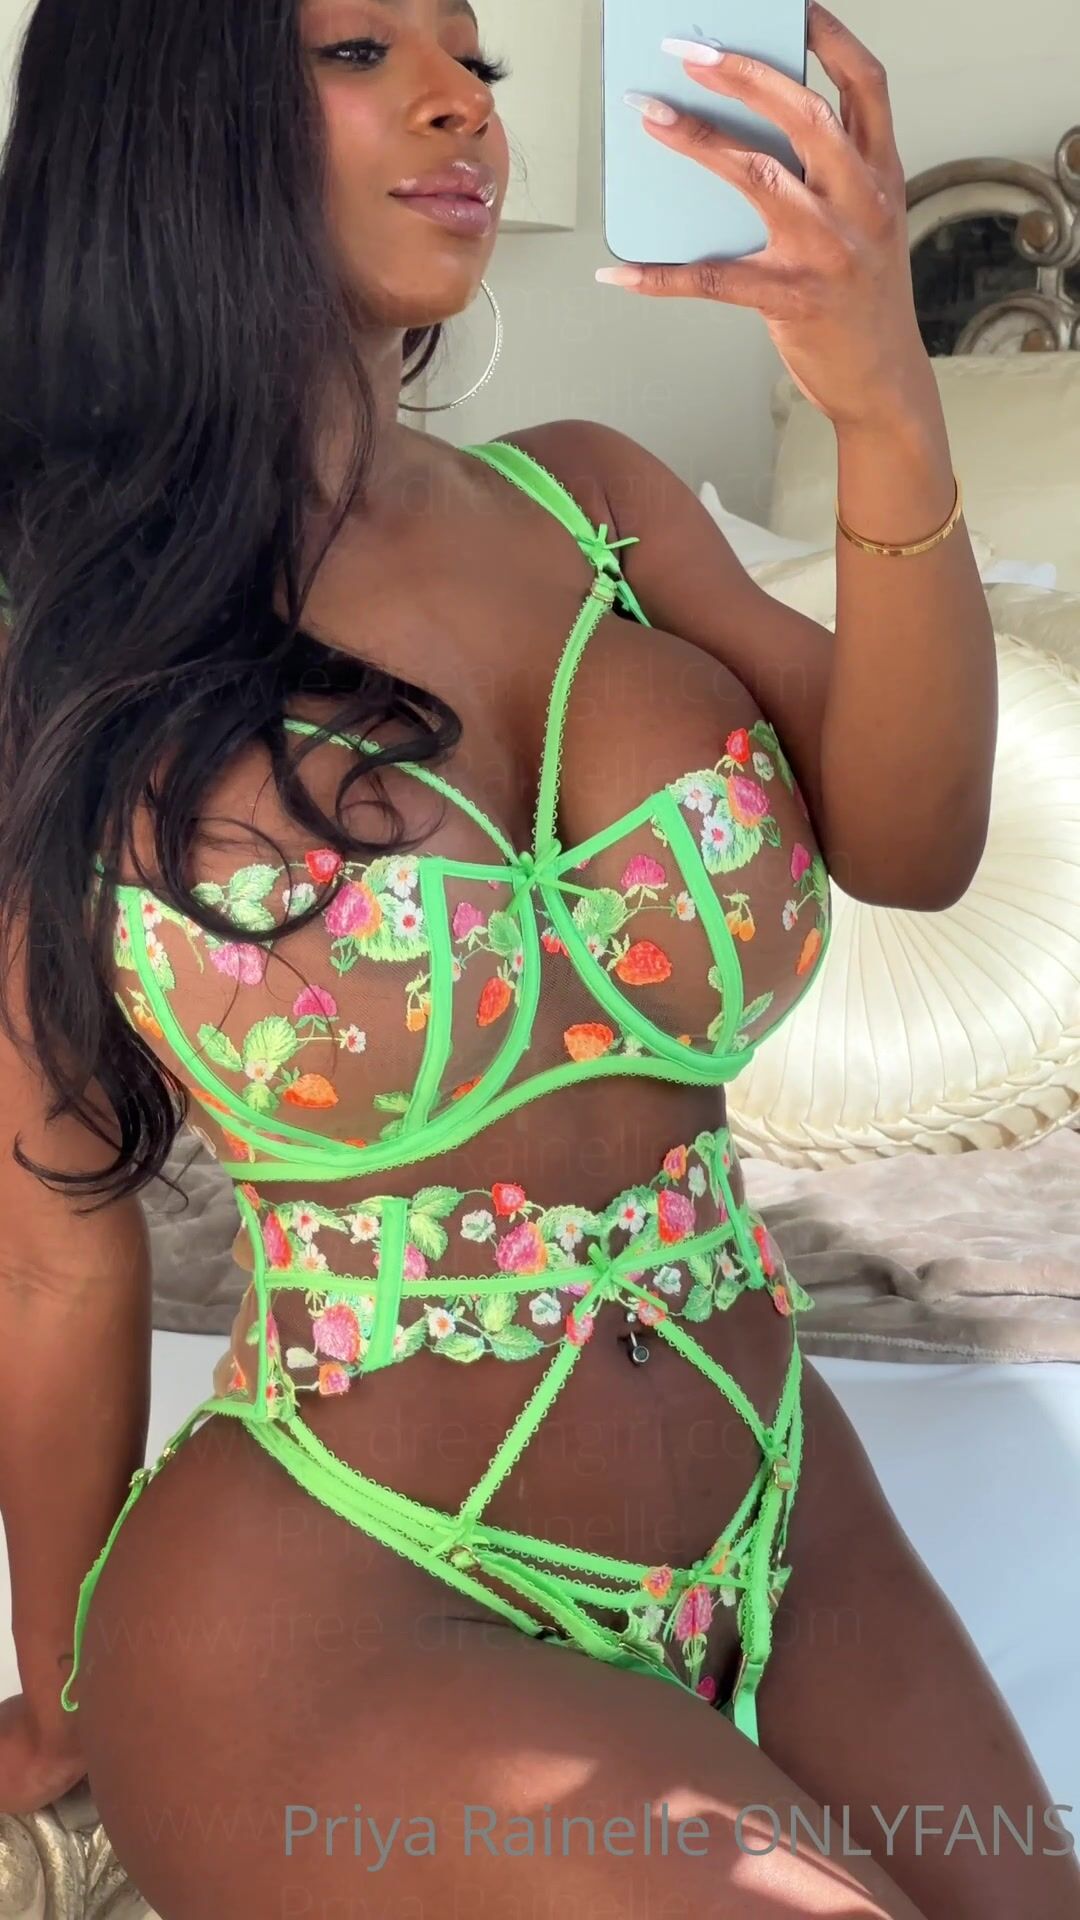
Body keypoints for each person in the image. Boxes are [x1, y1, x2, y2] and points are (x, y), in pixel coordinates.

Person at [0, 1, 1076, 1914]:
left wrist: (882, 405)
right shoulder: (61, 647)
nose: (458, 106)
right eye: (360, 51)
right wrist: (60, 1683)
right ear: (165, 114)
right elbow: (47, 1242)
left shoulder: (596, 505)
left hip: (783, 1513)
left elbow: (918, 846)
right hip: (337, 1595)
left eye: (476, 62)